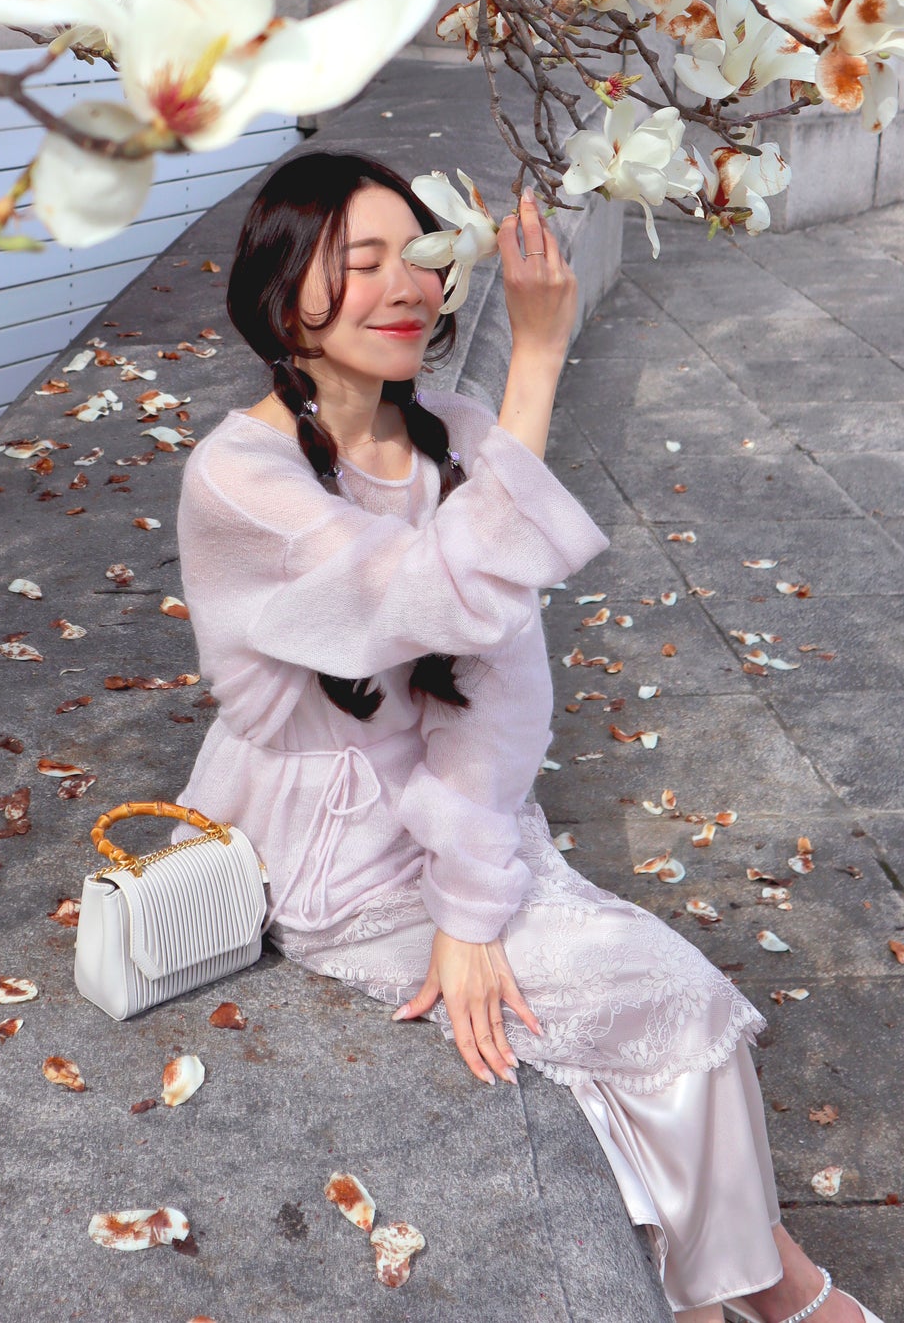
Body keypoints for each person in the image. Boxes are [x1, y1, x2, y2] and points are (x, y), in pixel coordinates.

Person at [169, 147, 881, 1323]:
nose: (410, 283)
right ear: (284, 291)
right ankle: (788, 1297)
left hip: (464, 818)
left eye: (423, 253)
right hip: (335, 856)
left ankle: (726, 1299)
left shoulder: (445, 429)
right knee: (668, 1000)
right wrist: (539, 355)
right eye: (363, 261)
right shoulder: (239, 479)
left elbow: (501, 690)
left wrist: (472, 893)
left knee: (643, 1013)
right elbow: (427, 599)